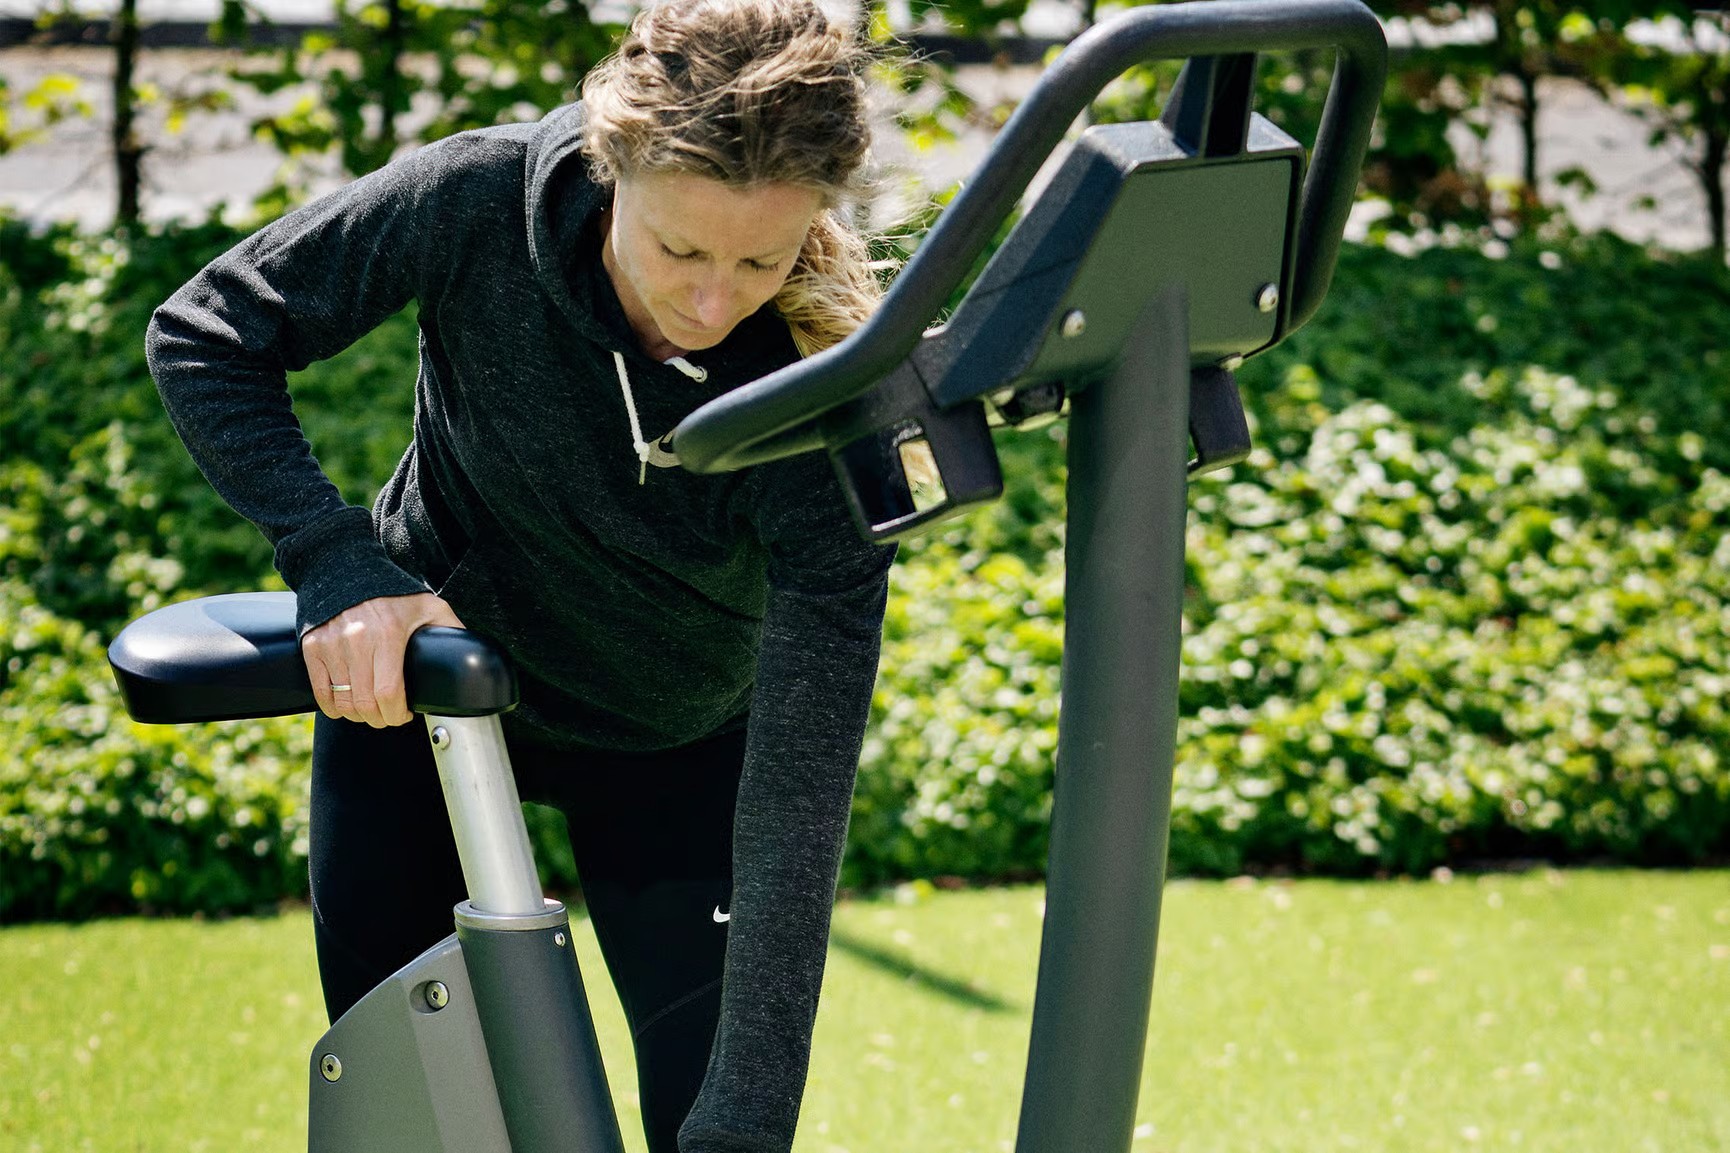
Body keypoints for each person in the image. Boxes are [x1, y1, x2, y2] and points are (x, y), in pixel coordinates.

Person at [143, 1, 895, 1150]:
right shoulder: (479, 199)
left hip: (678, 744)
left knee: (719, 1116)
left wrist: (744, 1118)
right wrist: (339, 566)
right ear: (611, 167)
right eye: (678, 248)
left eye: (761, 257)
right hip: (428, 703)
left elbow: (803, 784)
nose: (709, 299)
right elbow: (209, 332)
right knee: (422, 1122)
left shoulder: (824, 392)